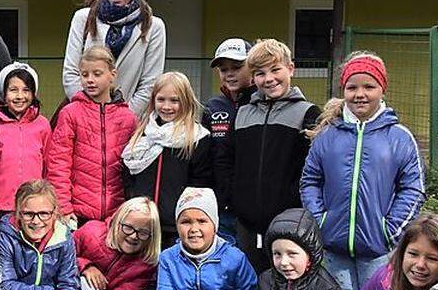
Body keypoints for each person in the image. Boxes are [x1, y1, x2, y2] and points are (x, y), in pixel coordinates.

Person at [301, 51, 426, 290]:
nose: (360, 94)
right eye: (352, 87)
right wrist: (321, 220)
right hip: (334, 246)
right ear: (343, 90)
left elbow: (413, 187)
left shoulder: (399, 137)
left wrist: (390, 229)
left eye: (369, 86)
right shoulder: (327, 136)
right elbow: (310, 180)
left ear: (382, 89)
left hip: (378, 249)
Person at [217, 39, 320, 273]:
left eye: (276, 70)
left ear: (291, 69)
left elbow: (312, 169)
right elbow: (227, 159)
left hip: (288, 221)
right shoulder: (243, 113)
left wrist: (294, 202)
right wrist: (235, 198)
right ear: (253, 78)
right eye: (260, 73)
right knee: (249, 280)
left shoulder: (307, 113)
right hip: (247, 222)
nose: (269, 79)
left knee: (285, 279)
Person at [45, 46, 138, 229]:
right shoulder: (70, 113)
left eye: (97, 74)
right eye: (85, 74)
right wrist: (63, 206)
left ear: (112, 74)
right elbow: (58, 164)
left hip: (117, 214)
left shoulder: (128, 118)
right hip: (78, 214)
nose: (90, 80)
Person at [61, 0, 166, 118]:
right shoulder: (83, 19)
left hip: (127, 122)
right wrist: (87, 113)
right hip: (85, 120)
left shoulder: (153, 27)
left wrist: (123, 118)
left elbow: (149, 84)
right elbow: (70, 73)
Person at [123, 70, 212, 245]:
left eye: (174, 100)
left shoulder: (196, 138)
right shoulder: (142, 135)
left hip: (175, 227)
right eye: (161, 99)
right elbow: (128, 176)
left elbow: (200, 184)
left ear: (185, 102)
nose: (166, 106)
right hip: (141, 225)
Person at [0, 62, 50, 231]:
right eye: (13, 90)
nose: (20, 96)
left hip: (34, 207)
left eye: (26, 90)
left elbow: (49, 167)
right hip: (2, 208)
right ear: (3, 94)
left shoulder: (42, 125)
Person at [202, 38, 255, 242]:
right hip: (220, 206)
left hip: (251, 207)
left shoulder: (261, 103)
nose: (229, 73)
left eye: (236, 67)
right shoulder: (213, 107)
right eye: (223, 69)